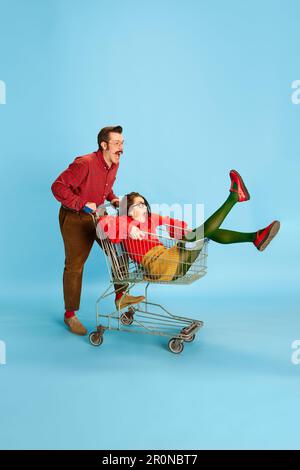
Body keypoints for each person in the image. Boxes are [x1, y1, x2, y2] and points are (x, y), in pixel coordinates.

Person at [97, 170, 281, 282]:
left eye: (145, 203)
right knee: (203, 232)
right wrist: (129, 228)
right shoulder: (124, 222)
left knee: (204, 231)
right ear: (128, 211)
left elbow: (173, 224)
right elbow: (104, 224)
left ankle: (253, 236)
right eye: (139, 204)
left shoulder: (151, 218)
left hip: (172, 260)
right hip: (160, 266)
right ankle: (235, 199)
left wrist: (186, 232)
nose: (144, 206)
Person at [51, 125, 144, 336]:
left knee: (118, 249)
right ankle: (70, 316)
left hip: (98, 215)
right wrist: (82, 203)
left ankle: (121, 297)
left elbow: (104, 186)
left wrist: (112, 198)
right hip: (75, 218)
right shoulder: (84, 163)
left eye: (122, 143)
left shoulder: (114, 163)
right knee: (74, 266)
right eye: (117, 143)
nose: (121, 148)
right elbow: (57, 187)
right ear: (104, 145)